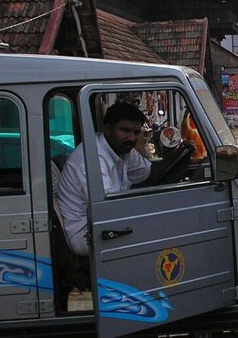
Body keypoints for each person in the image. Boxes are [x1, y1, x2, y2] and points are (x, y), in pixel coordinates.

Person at [57, 102, 192, 256]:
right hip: (83, 231)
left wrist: (175, 158)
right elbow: (109, 209)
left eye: (136, 132)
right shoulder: (93, 157)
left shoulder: (122, 150)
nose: (131, 138)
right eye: (125, 131)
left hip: (105, 217)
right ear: (108, 130)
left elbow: (149, 174)